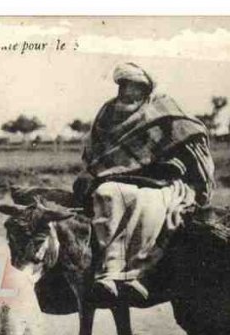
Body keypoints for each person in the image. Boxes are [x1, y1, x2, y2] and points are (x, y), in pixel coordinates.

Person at [81, 62, 215, 299]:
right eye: (122, 85)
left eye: (132, 86)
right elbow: (95, 150)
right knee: (106, 194)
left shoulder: (164, 110)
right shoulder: (108, 113)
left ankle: (136, 274)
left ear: (145, 88)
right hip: (118, 178)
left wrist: (201, 187)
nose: (126, 92)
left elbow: (193, 146)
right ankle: (109, 274)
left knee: (148, 204)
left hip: (163, 181)